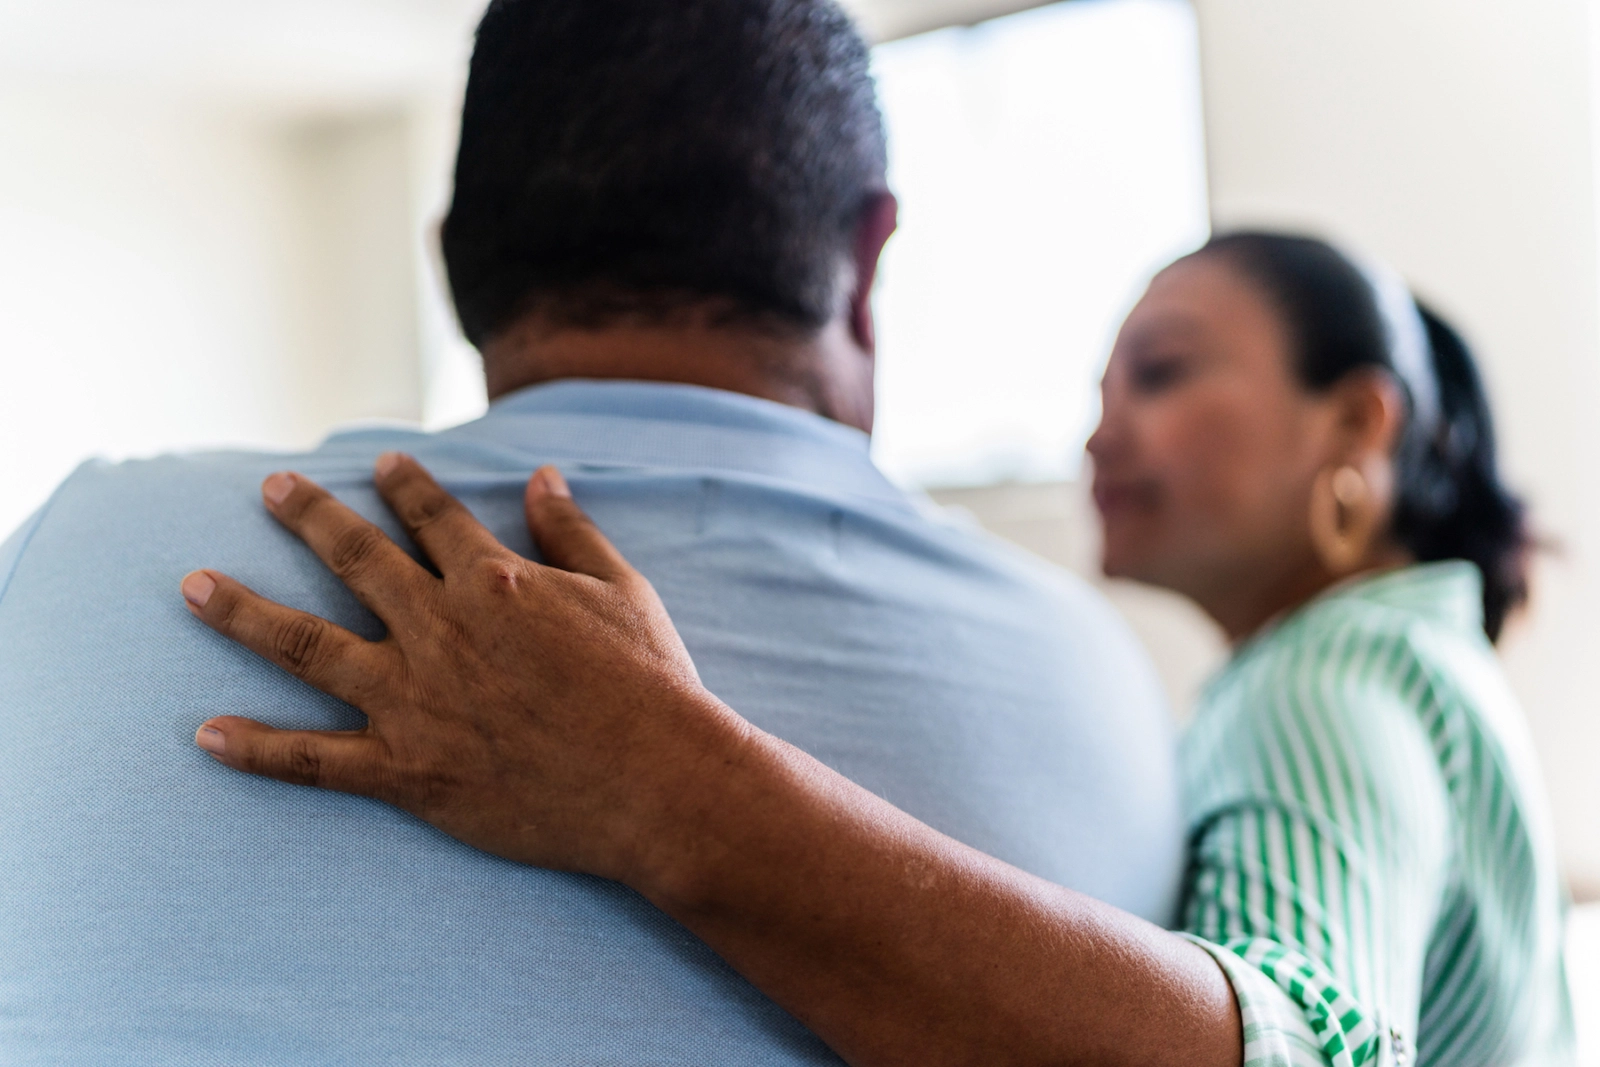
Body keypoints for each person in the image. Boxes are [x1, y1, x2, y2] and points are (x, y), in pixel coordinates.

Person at [0, 1, 1184, 1062]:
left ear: (457, 264)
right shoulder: (1103, 683)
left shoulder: (76, 553)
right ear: (865, 262)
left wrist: (664, 785)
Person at [183, 232, 1575, 1067]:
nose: (1101, 432)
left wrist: (656, 777)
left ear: (1356, 426)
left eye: (1163, 371)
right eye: (1097, 390)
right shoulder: (1409, 665)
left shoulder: (1328, 681)